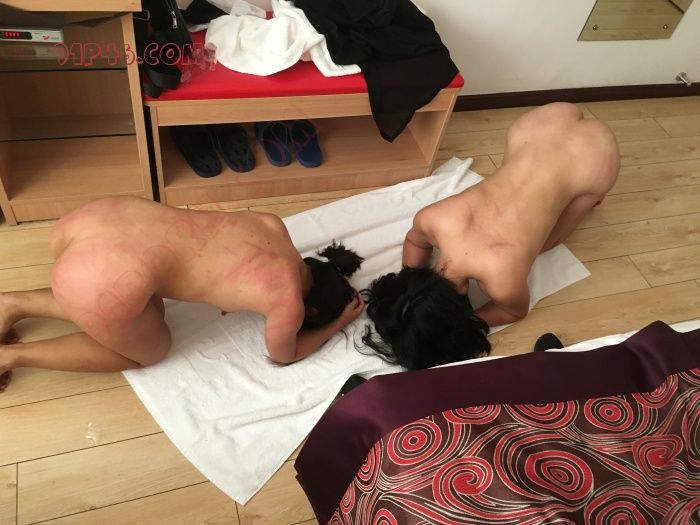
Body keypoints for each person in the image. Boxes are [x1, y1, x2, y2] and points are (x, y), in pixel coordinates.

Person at [0, 197, 365, 391]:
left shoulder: (272, 225)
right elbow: (285, 354)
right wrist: (338, 323)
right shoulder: (287, 303)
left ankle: (11, 304)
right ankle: (9, 357)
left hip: (96, 218)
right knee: (150, 350)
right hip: (99, 274)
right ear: (309, 310)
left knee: (150, 311)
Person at [362, 102, 620, 369]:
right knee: (523, 173)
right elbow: (414, 241)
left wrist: (464, 323)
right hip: (541, 123)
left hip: (596, 159)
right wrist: (410, 285)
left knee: (550, 242)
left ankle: (592, 196)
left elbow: (514, 311)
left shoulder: (503, 279)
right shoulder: (433, 219)